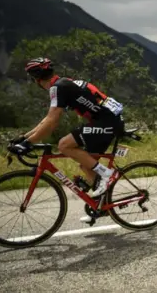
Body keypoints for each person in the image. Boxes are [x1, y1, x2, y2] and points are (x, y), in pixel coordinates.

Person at [10, 58, 125, 220]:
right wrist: (23, 138)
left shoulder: (57, 88)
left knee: (64, 145)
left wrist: (28, 144)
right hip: (109, 121)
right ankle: (101, 206)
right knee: (87, 165)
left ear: (36, 79)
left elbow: (52, 122)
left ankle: (107, 174)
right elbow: (47, 119)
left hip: (107, 122)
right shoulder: (63, 83)